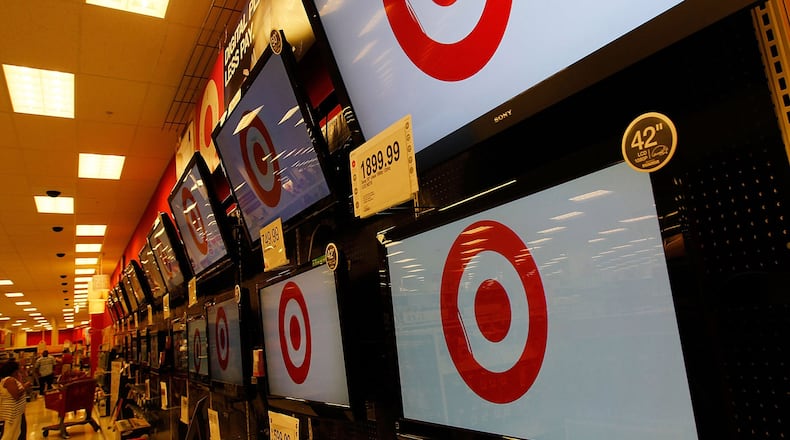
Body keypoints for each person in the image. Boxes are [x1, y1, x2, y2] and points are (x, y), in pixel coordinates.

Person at [0, 360, 31, 440]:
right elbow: (16, 395)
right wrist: (25, 386)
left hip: (17, 412)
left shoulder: (13, 379)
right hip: (12, 414)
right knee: (11, 435)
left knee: (19, 434)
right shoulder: (9, 380)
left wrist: (23, 373)